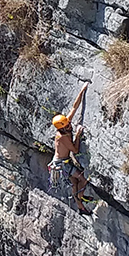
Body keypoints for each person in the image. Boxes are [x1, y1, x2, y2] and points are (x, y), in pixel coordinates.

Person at [51, 82, 92, 214]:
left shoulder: (65, 123)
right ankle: (80, 199)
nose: (70, 126)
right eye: (67, 126)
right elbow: (74, 150)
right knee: (82, 179)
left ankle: (80, 205)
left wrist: (82, 90)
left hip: (62, 161)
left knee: (75, 183)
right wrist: (78, 135)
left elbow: (75, 107)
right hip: (62, 163)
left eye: (69, 124)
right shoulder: (61, 137)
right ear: (61, 128)